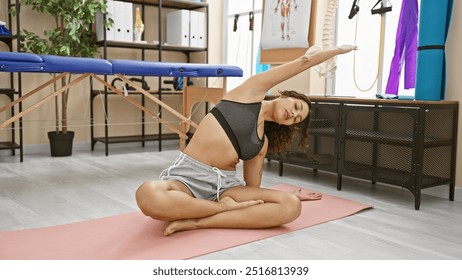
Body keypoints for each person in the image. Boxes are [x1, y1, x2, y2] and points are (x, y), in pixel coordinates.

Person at [136, 45, 357, 236]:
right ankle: (222, 210)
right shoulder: (250, 92)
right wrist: (336, 51)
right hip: (188, 178)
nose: (293, 115)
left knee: (291, 206)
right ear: (285, 95)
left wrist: (286, 195)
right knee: (147, 194)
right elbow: (303, 61)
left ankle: (199, 220)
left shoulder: (262, 144)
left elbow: (253, 190)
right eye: (296, 107)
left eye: (297, 119)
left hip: (225, 188)